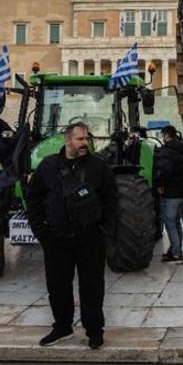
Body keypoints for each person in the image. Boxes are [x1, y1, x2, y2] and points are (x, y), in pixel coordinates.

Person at [26, 122, 117, 350]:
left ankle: (94, 331)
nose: (84, 143)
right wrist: (42, 232)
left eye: (86, 139)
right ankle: (62, 327)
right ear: (68, 140)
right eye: (80, 139)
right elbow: (33, 198)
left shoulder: (99, 167)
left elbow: (111, 199)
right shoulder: (48, 167)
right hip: (56, 240)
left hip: (90, 238)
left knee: (92, 287)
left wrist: (105, 230)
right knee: (58, 286)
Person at [154, 125, 183, 263]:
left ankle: (176, 254)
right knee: (176, 221)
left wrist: (159, 185)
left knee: (170, 222)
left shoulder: (166, 151)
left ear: (166, 135)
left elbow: (163, 171)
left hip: (171, 193)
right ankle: (175, 249)